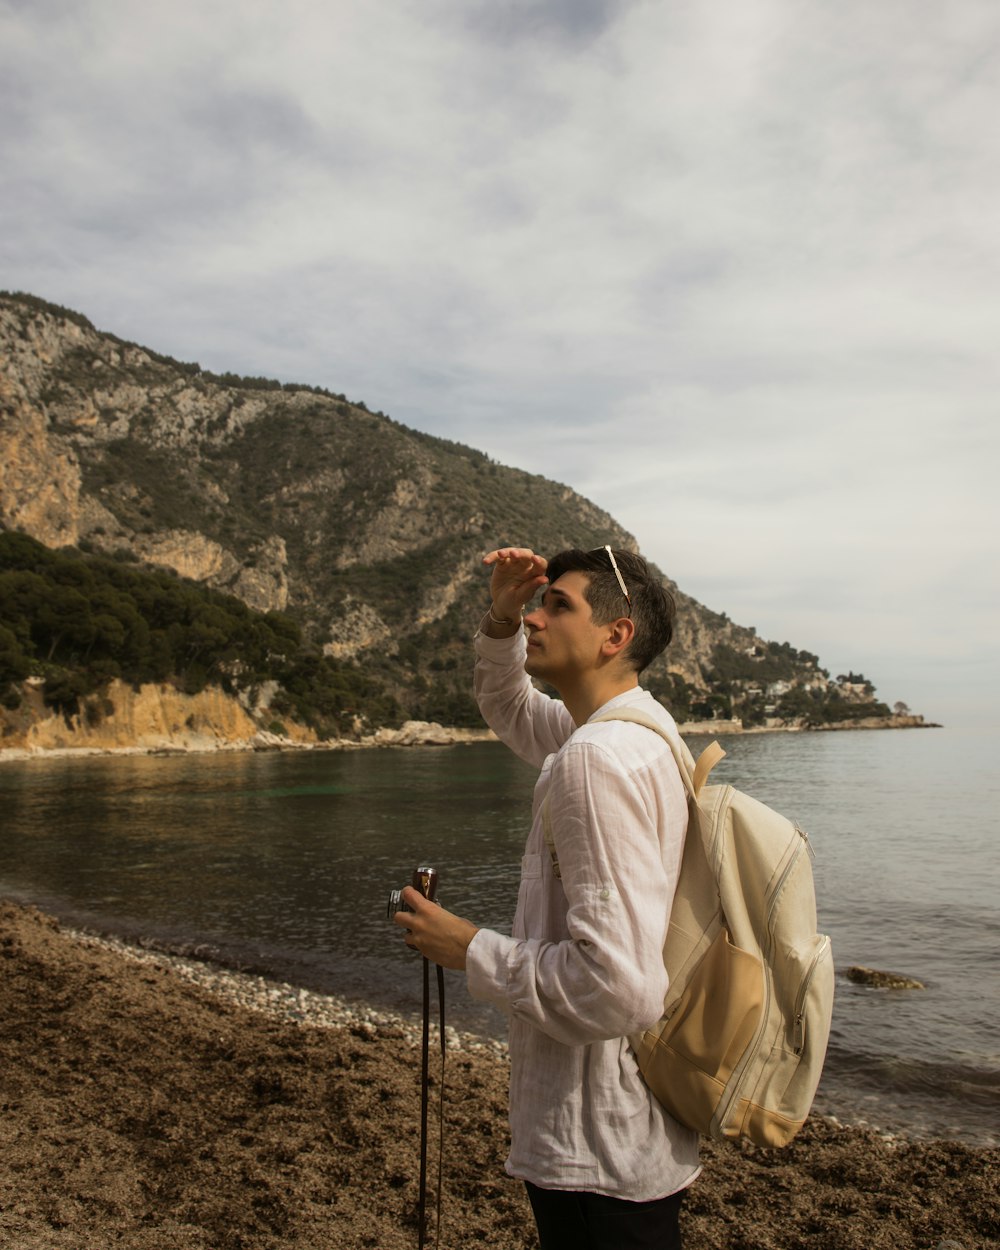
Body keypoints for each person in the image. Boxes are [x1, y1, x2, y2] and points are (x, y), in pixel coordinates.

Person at [394, 544, 700, 1250]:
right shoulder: (635, 732)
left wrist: (468, 948)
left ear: (615, 635)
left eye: (557, 606)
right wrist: (500, 617)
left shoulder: (597, 759)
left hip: (595, 1144)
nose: (535, 617)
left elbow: (617, 987)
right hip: (635, 1132)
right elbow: (507, 705)